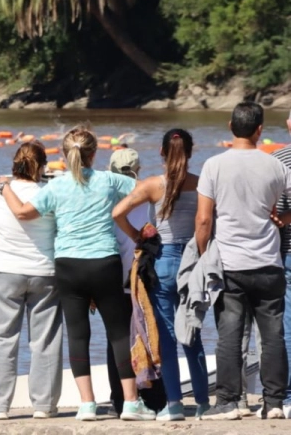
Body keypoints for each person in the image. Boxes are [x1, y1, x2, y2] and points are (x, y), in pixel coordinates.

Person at [0, 127, 156, 421]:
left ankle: (87, 405)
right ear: (94, 154)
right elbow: (147, 189)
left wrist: (3, 187)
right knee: (119, 334)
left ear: (63, 153)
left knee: (78, 335)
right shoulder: (109, 180)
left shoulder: (55, 187)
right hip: (104, 262)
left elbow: (22, 213)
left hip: (68, 265)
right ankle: (132, 404)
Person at [196, 102, 291, 420]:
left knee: (230, 334)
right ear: (260, 130)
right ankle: (275, 403)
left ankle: (228, 402)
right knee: (273, 334)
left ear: (229, 125)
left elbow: (204, 220)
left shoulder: (213, 165)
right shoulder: (275, 166)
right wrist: (285, 217)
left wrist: (200, 254)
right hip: (269, 261)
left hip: (230, 263)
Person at [112, 130, 210, 420]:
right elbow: (207, 221)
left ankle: (175, 405)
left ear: (161, 152)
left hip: (164, 262)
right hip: (193, 261)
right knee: (192, 333)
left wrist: (138, 237)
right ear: (190, 152)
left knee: (166, 337)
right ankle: (204, 404)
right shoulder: (202, 183)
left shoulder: (152, 185)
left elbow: (118, 212)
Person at [0, 141, 62, 421]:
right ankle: (44, 405)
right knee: (45, 340)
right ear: (41, 167)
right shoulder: (50, 192)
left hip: (5, 270)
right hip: (45, 272)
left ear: (14, 166)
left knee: (1, 339)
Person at [105, 149, 166, 418]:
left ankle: (120, 399)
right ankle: (154, 398)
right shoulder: (147, 193)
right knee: (150, 336)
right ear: (138, 169)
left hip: (113, 279)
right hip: (142, 278)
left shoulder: (105, 198)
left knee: (117, 340)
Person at [272, 112, 291, 418]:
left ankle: (288, 396)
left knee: (288, 326)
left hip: (286, 249)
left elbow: (274, 209)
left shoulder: (277, 161)